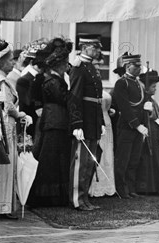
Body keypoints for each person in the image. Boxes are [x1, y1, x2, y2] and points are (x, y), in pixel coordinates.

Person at [29, 41, 72, 207]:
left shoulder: (55, 79)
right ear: (60, 65)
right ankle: (46, 196)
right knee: (50, 159)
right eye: (65, 64)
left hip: (57, 121)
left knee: (56, 158)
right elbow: (64, 99)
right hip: (54, 121)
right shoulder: (52, 81)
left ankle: (55, 195)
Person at [68, 34, 105, 211]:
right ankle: (77, 199)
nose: (98, 51)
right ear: (84, 48)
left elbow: (97, 98)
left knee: (90, 161)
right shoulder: (78, 68)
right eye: (95, 47)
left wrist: (101, 122)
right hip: (84, 120)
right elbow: (74, 97)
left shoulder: (91, 67)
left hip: (94, 120)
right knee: (80, 162)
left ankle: (85, 198)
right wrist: (76, 123)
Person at [0, 39, 32, 218]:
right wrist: (22, 115)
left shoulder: (3, 80)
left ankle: (2, 204)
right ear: (1, 61)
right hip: (4, 126)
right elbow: (8, 106)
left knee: (6, 165)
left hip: (6, 125)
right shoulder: (1, 81)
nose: (13, 63)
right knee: (5, 165)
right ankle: (1, 206)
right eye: (10, 60)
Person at [113, 52, 148, 199]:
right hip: (127, 126)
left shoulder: (139, 84)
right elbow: (125, 107)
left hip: (139, 127)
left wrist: (143, 125)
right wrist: (136, 125)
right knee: (123, 159)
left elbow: (141, 105)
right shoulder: (122, 83)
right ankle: (121, 189)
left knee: (134, 159)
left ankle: (131, 188)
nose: (140, 68)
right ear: (128, 66)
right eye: (137, 65)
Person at [136, 70, 159, 195]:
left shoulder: (153, 101)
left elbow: (155, 116)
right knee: (146, 157)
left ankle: (156, 186)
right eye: (153, 87)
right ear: (146, 88)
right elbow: (147, 116)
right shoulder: (143, 100)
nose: (155, 89)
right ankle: (146, 187)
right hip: (147, 130)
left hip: (154, 131)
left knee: (155, 157)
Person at [89, 90, 116, 197]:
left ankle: (108, 186)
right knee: (98, 152)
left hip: (107, 121)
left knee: (107, 154)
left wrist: (110, 110)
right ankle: (96, 187)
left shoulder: (104, 92)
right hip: (97, 121)